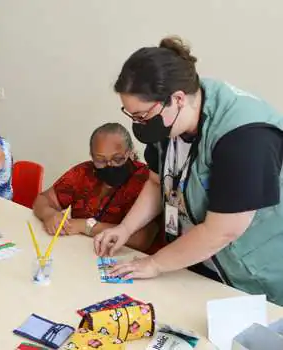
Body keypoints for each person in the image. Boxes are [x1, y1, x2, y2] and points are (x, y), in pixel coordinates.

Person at [95, 36, 283, 305]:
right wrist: (125, 228)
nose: (139, 125)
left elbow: (222, 231)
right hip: (204, 262)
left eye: (142, 116)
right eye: (132, 115)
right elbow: (156, 182)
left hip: (258, 275)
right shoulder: (170, 115)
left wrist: (155, 264)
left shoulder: (244, 139)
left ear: (178, 99)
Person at [33, 123, 157, 252]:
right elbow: (44, 199)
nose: (109, 165)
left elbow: (142, 239)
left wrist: (85, 226)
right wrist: (49, 214)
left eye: (117, 158)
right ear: (91, 156)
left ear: (130, 153)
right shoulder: (83, 173)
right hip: (79, 250)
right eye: (100, 160)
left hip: (124, 257)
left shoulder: (147, 180)